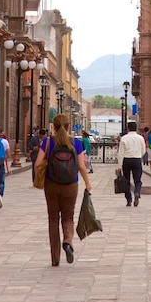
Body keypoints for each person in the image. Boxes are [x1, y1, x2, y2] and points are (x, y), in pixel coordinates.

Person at [35, 114, 92, 266]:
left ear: (53, 127)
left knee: (53, 219)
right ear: (68, 127)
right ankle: (68, 241)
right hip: (71, 184)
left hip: (51, 184)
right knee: (68, 218)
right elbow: (81, 166)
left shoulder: (47, 143)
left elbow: (37, 163)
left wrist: (44, 172)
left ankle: (55, 258)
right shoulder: (76, 143)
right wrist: (87, 183)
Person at [118, 122, 146, 207]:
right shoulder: (140, 138)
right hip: (137, 159)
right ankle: (137, 192)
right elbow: (143, 150)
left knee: (126, 181)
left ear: (128, 128)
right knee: (137, 180)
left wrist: (119, 166)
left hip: (126, 160)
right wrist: (138, 156)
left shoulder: (124, 138)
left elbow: (121, 153)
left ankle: (129, 200)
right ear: (136, 128)